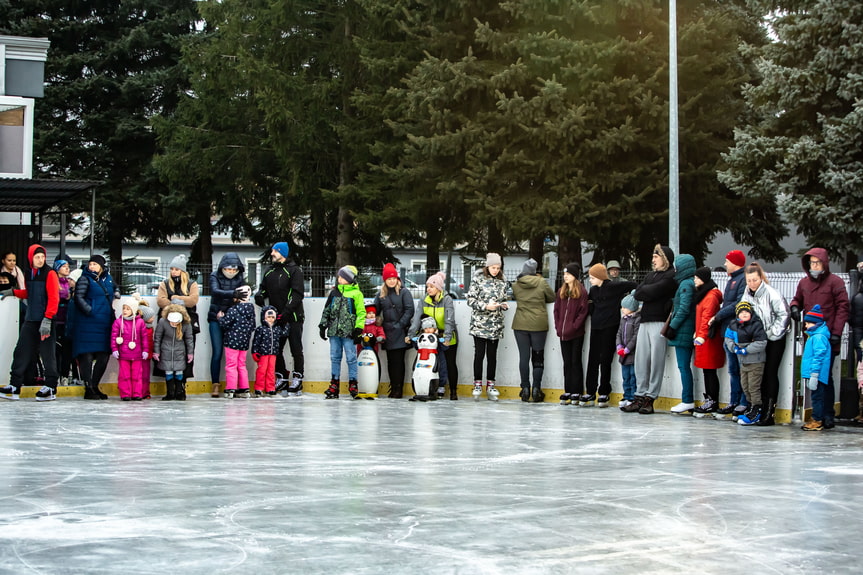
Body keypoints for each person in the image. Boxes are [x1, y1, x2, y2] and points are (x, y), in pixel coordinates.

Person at [789, 248, 849, 430]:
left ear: (824, 263)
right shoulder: (804, 283)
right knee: (821, 378)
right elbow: (796, 300)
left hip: (828, 337)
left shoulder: (835, 282)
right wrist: (794, 308)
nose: (814, 266)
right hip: (811, 337)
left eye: (817, 262)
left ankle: (824, 415)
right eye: (811, 263)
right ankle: (824, 415)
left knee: (824, 378)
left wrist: (837, 332)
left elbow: (843, 307)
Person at [0, 244, 60, 401]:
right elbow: (29, 293)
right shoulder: (28, 273)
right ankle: (14, 386)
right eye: (37, 257)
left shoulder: (50, 273)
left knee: (48, 355)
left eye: (42, 257)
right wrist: (13, 292)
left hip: (45, 321)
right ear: (31, 258)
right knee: (21, 351)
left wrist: (48, 319)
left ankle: (51, 387)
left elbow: (54, 298)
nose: (41, 260)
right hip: (31, 320)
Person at [623, 245, 677, 414]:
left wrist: (646, 291)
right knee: (641, 360)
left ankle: (650, 398)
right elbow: (638, 293)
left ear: (665, 258)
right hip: (645, 321)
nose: (653, 260)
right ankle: (639, 396)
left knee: (656, 361)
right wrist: (646, 291)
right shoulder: (650, 275)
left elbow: (653, 291)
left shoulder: (670, 276)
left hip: (659, 322)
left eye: (656, 257)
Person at [738, 262, 790, 426]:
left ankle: (769, 412)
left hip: (774, 339)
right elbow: (742, 314)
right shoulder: (746, 294)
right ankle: (756, 408)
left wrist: (769, 335)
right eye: (748, 280)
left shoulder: (772, 293)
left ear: (761, 278)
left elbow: (784, 315)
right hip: (756, 340)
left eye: (754, 280)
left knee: (769, 373)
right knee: (755, 374)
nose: (751, 284)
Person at [583, 262, 637, 407]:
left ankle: (604, 392)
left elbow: (633, 285)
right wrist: (593, 312)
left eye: (592, 277)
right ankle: (590, 391)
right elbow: (590, 304)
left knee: (605, 360)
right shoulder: (593, 290)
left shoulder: (614, 286)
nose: (590, 280)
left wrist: (631, 302)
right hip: (596, 327)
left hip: (610, 327)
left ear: (600, 276)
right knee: (593, 358)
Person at [68, 255, 118, 400]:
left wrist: (117, 292)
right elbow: (78, 297)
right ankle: (88, 387)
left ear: (101, 266)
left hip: (104, 323)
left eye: (95, 264)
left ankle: (95, 385)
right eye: (90, 264)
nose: (91, 267)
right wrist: (90, 310)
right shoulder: (85, 278)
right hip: (87, 323)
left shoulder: (107, 278)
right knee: (87, 355)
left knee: (103, 356)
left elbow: (114, 287)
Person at [707, 249, 748, 418]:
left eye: (727, 261)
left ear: (736, 262)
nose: (725, 264)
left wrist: (718, 316)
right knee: (733, 369)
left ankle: (743, 402)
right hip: (728, 331)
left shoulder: (742, 279)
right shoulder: (732, 279)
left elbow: (738, 303)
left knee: (740, 369)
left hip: (737, 330)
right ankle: (734, 401)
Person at [466, 253, 510, 401]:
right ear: (487, 266)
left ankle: (491, 384)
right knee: (479, 354)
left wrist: (503, 305)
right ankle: (477, 383)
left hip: (495, 325)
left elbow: (504, 297)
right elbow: (470, 299)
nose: (495, 270)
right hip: (480, 324)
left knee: (492, 356)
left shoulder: (502, 281)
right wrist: (485, 306)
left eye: (498, 268)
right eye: (493, 267)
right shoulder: (478, 279)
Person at [409, 271, 459, 399]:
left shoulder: (447, 299)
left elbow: (449, 320)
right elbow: (417, 318)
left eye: (431, 286)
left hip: (446, 336)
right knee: (434, 364)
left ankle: (453, 391)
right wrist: (411, 334)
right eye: (427, 286)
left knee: (449, 363)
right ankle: (433, 387)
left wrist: (447, 337)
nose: (428, 289)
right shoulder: (424, 299)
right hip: (430, 337)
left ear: (438, 288)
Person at [512, 258, 555, 403]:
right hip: (539, 325)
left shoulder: (516, 284)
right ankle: (536, 389)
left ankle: (525, 388)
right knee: (538, 357)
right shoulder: (541, 282)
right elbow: (551, 297)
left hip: (520, 324)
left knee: (523, 357)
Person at [320, 265, 366, 399]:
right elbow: (327, 310)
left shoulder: (356, 294)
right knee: (335, 358)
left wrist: (358, 329)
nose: (338, 278)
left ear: (348, 279)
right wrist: (323, 326)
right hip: (334, 332)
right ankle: (334, 384)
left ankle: (353, 383)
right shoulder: (334, 293)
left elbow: (361, 312)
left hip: (349, 333)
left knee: (351, 358)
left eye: (341, 276)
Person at [373, 263, 414, 398]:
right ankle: (393, 386)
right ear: (385, 280)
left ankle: (398, 388)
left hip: (400, 331)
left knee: (399, 360)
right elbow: (375, 310)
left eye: (393, 278)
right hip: (388, 332)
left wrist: (400, 325)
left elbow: (409, 310)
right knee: (391, 361)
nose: (391, 281)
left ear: (397, 279)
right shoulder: (381, 294)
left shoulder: (404, 292)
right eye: (389, 279)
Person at [208, 252, 245, 398]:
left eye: (234, 269)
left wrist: (234, 299)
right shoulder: (214, 276)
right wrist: (234, 294)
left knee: (234, 355)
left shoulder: (240, 279)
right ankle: (215, 384)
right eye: (228, 269)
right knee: (217, 352)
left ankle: (234, 385)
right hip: (215, 318)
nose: (231, 272)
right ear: (223, 267)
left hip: (232, 321)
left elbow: (241, 297)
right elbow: (215, 291)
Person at [724, 301, 768, 425]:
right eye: (741, 312)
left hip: (755, 361)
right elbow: (728, 338)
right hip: (742, 362)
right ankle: (750, 407)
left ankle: (757, 409)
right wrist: (734, 348)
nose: (744, 314)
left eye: (746, 312)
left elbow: (761, 342)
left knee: (754, 387)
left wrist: (746, 349)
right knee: (745, 386)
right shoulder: (733, 325)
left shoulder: (756, 325)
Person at [157, 254, 200, 379]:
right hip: (167, 324)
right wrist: (179, 303)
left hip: (187, 323)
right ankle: (170, 387)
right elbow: (160, 300)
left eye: (176, 269)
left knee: (186, 352)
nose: (173, 272)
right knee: (167, 352)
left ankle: (182, 385)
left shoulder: (191, 284)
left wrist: (175, 298)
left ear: (183, 271)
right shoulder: (164, 284)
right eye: (172, 269)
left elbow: (193, 300)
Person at [665, 254, 697, 414]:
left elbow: (683, 308)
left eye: (676, 267)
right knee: (684, 366)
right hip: (685, 330)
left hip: (683, 330)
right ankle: (687, 399)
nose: (674, 270)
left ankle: (687, 400)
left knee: (683, 366)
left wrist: (672, 327)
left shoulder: (685, 284)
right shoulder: (688, 283)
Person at [554, 262, 590, 405]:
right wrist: (558, 326)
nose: (565, 277)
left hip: (575, 333)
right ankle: (568, 389)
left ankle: (577, 390)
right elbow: (556, 310)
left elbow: (583, 312)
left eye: (568, 274)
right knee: (567, 362)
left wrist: (574, 326)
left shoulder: (581, 292)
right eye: (564, 274)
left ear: (574, 276)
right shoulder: (561, 292)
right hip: (563, 333)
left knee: (575, 361)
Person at [691, 267, 725, 418]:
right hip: (703, 337)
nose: (695, 280)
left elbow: (707, 318)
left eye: (697, 278)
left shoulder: (710, 297)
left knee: (710, 370)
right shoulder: (704, 294)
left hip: (708, 339)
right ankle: (710, 399)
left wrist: (701, 335)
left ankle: (712, 400)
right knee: (707, 370)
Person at [218, 285, 256, 399]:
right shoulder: (250, 309)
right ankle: (244, 388)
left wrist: (220, 318)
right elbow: (252, 326)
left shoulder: (233, 310)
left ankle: (230, 388)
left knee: (231, 365)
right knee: (241, 365)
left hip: (231, 342)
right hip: (244, 342)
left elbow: (225, 323)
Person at [111, 297, 151, 401]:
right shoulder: (118, 322)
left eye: (128, 309)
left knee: (137, 375)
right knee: (124, 375)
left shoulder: (140, 322)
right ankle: (125, 394)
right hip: (123, 354)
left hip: (137, 355)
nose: (125, 311)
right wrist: (114, 349)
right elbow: (114, 337)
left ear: (133, 310)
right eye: (124, 308)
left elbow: (144, 338)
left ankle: (137, 393)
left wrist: (145, 350)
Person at [800, 305, 833, 431]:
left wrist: (814, 374)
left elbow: (818, 357)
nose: (806, 326)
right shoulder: (815, 336)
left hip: (817, 374)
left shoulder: (818, 337)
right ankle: (817, 418)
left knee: (817, 397)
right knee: (817, 396)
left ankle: (817, 420)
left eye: (808, 323)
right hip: (817, 374)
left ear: (815, 323)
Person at [153, 304, 193, 401]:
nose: (174, 324)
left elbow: (189, 339)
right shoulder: (163, 322)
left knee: (179, 371)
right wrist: (156, 352)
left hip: (179, 352)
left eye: (176, 322)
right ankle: (170, 392)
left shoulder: (186, 324)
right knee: (168, 371)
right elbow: (157, 338)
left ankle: (179, 392)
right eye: (172, 322)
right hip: (166, 351)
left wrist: (190, 353)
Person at [252, 306, 290, 397]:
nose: (271, 319)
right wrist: (255, 351)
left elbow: (284, 333)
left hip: (273, 354)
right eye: (269, 317)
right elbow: (256, 341)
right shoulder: (260, 329)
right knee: (261, 371)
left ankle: (270, 388)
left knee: (271, 371)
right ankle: (259, 388)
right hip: (263, 354)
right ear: (264, 317)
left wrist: (286, 324)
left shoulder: (277, 329)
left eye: (273, 317)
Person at [53, 259, 77, 385]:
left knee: (67, 350)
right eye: (64, 266)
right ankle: (55, 373)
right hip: (56, 320)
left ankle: (65, 375)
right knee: (56, 349)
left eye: (68, 266)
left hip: (67, 321)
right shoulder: (54, 282)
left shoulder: (69, 283)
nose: (67, 269)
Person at [616, 291, 641, 408]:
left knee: (633, 376)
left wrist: (628, 349)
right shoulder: (623, 319)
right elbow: (619, 333)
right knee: (625, 376)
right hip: (623, 355)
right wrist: (619, 346)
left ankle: (633, 397)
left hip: (632, 353)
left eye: (625, 307)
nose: (622, 309)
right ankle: (626, 396)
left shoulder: (637, 319)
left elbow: (636, 336)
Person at [138, 297, 158, 399]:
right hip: (140, 354)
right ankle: (139, 392)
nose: (153, 318)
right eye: (151, 316)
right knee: (139, 374)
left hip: (148, 354)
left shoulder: (150, 327)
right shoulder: (140, 327)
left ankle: (146, 392)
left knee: (146, 374)